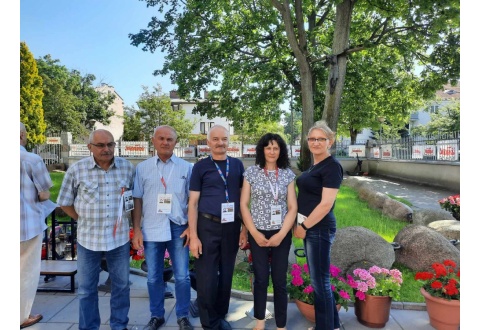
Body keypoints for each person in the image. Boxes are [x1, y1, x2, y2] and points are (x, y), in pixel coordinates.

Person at [57, 129, 135, 330]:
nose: (106, 149)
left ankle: (119, 325)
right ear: (90, 147)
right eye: (100, 145)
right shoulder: (77, 169)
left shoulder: (127, 168)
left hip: (119, 239)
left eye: (110, 144)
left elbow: (133, 201)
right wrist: (81, 218)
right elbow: (65, 202)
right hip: (88, 240)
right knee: (86, 290)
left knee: (122, 287)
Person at [131, 125, 193, 330]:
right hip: (151, 227)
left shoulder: (186, 167)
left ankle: (183, 315)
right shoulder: (143, 168)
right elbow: (137, 199)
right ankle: (156, 315)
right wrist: (137, 229)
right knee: (154, 276)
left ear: (176, 142)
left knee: (182, 275)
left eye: (169, 139)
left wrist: (192, 227)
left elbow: (194, 201)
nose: (165, 142)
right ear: (153, 141)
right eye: (161, 138)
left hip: (178, 227)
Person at [188, 125, 248, 330]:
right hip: (207, 226)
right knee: (207, 276)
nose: (220, 143)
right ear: (208, 142)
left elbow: (243, 201)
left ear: (229, 141)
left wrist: (245, 229)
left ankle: (221, 315)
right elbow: (193, 203)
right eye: (215, 139)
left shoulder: (238, 165)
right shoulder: (200, 167)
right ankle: (209, 322)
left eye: (224, 139)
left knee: (227, 273)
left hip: (231, 226)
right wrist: (194, 236)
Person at [240, 133, 297, 330]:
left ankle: (281, 325)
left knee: (280, 281)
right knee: (261, 278)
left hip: (281, 233)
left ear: (280, 151)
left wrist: (281, 234)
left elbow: (292, 207)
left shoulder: (288, 174)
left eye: (275, 148)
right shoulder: (251, 173)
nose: (272, 151)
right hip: (258, 233)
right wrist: (253, 233)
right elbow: (244, 204)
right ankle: (260, 322)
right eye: (268, 147)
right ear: (261, 150)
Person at [294, 121, 344, 330]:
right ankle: (333, 324)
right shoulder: (315, 165)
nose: (315, 142)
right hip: (311, 228)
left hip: (318, 228)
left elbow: (325, 205)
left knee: (320, 282)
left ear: (329, 142)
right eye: (312, 139)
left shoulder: (332, 167)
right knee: (319, 279)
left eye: (320, 139)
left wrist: (303, 227)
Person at [20, 122, 55, 329]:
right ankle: (21, 316)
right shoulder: (31, 159)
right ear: (21, 135)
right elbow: (44, 194)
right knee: (25, 272)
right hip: (26, 224)